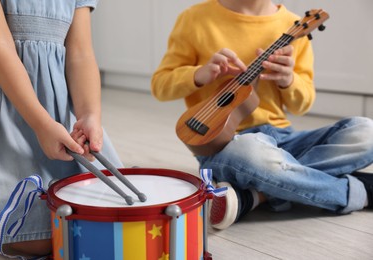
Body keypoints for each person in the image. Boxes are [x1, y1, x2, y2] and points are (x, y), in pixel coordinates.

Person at [151, 0, 373, 231]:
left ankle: (258, 194)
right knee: (250, 152)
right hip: (227, 146)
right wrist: (199, 74)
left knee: (366, 132)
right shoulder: (194, 18)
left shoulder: (293, 25)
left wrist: (289, 80)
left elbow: (302, 105)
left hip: (283, 140)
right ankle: (358, 192)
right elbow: (160, 86)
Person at [0, 0, 123, 258]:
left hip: (57, 115)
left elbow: (81, 53)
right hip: (1, 108)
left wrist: (89, 114)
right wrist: (41, 124)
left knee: (112, 213)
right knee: (36, 237)